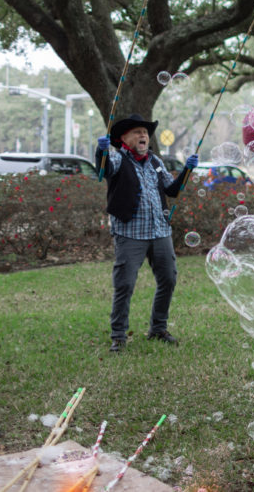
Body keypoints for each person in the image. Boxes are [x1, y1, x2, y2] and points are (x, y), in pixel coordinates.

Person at [95, 114, 198, 353]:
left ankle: (158, 328)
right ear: (123, 138)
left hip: (160, 231)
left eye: (145, 132)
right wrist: (100, 152)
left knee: (169, 279)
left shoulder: (155, 161)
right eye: (137, 132)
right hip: (130, 233)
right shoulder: (117, 157)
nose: (143, 135)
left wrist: (186, 171)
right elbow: (106, 170)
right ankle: (118, 335)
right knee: (125, 284)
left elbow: (172, 189)